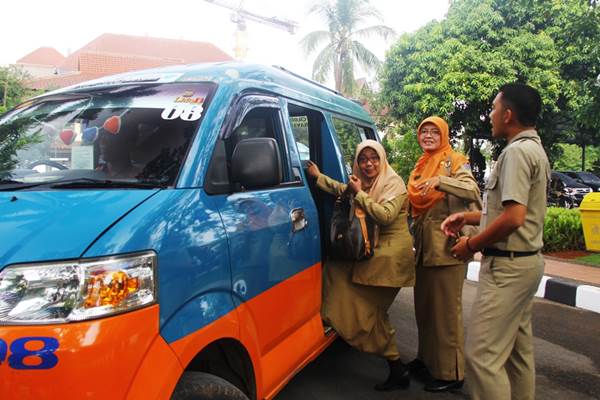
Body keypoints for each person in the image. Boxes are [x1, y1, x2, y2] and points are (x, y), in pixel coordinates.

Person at [441, 83, 550, 400]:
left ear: (509, 114)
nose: (490, 115)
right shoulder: (534, 149)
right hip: (525, 263)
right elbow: (514, 211)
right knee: (517, 353)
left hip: (508, 269)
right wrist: (467, 218)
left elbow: (514, 217)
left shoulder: (516, 153)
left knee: (483, 357)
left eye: (493, 108)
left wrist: (470, 246)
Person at [306, 139, 415, 391]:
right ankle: (397, 368)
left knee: (367, 314)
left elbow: (385, 216)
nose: (369, 164)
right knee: (338, 276)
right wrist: (317, 176)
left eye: (374, 158)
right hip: (372, 254)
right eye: (363, 159)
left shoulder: (393, 182)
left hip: (389, 260)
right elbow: (342, 189)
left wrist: (358, 193)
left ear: (382, 159)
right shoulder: (361, 182)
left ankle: (397, 366)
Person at [407, 116, 481, 392]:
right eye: (423, 131)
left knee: (446, 314)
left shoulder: (453, 160)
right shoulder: (421, 164)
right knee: (425, 311)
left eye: (433, 132)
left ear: (444, 134)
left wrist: (442, 180)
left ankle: (451, 373)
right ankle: (427, 361)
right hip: (425, 250)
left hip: (448, 251)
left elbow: (472, 189)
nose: (427, 136)